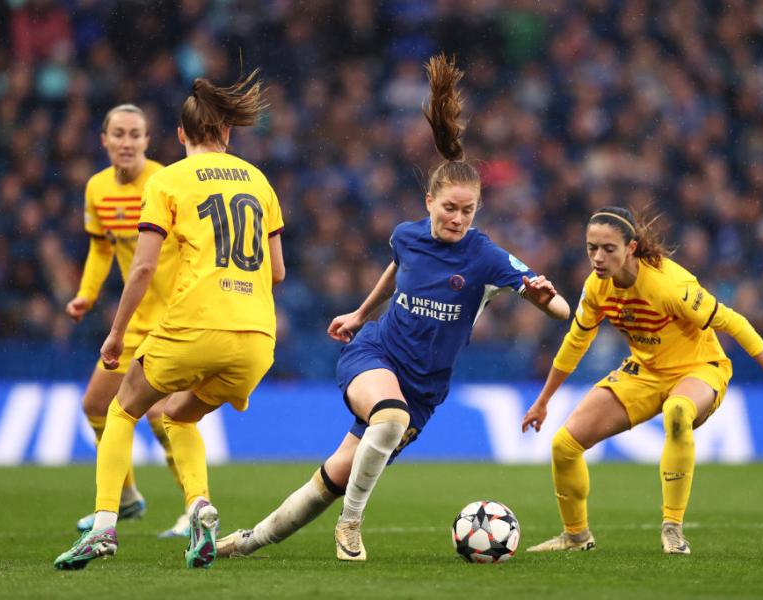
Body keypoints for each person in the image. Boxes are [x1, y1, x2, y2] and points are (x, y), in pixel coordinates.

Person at [214, 53, 571, 563]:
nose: (457, 218)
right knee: (389, 417)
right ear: (428, 201)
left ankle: (248, 542)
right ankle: (351, 527)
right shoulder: (407, 235)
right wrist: (361, 316)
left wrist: (544, 300)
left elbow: (558, 308)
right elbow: (395, 269)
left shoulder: (487, 256)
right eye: (449, 208)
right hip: (376, 355)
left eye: (468, 211)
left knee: (336, 474)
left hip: (426, 389)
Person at [54, 70, 284, 570]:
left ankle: (103, 526)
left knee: (122, 409)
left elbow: (140, 267)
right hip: (258, 340)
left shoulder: (166, 180)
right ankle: (199, 507)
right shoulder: (259, 180)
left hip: (192, 327)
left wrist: (114, 334)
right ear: (227, 133)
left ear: (179, 135)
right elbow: (279, 271)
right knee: (180, 415)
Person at [521, 206, 763, 555]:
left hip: (700, 368)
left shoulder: (670, 285)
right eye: (591, 247)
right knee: (564, 445)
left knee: (676, 411)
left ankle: (672, 528)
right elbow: (575, 342)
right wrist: (543, 401)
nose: (597, 257)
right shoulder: (596, 287)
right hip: (644, 371)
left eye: (608, 248)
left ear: (631, 248)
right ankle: (575, 537)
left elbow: (733, 322)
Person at [66, 104, 187, 538]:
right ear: (104, 139)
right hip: (133, 320)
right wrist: (86, 294)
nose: (126, 142)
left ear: (148, 140)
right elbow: (101, 248)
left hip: (172, 317)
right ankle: (128, 496)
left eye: (135, 134)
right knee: (95, 405)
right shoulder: (96, 188)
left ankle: (195, 506)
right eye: (118, 134)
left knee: (160, 413)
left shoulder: (164, 182)